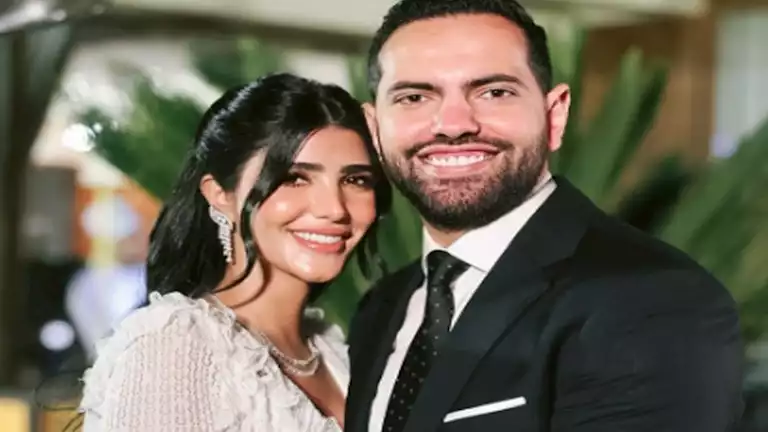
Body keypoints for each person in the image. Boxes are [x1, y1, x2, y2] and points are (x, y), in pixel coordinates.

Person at [345, 1, 744, 431]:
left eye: (494, 92)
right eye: (414, 97)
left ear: (555, 115)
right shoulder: (382, 308)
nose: (453, 124)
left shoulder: (654, 300)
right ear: (375, 129)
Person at [78, 73, 391, 431]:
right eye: (294, 178)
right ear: (219, 195)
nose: (334, 208)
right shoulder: (176, 347)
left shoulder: (332, 350)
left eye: (355, 180)